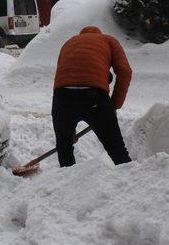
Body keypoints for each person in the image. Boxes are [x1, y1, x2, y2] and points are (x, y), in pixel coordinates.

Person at [52, 26, 133, 167]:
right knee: (117, 151)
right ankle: (131, 182)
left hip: (63, 96)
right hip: (95, 97)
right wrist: (114, 105)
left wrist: (68, 128)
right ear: (99, 34)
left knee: (64, 149)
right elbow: (125, 71)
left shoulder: (70, 42)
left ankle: (67, 185)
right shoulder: (109, 40)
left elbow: (64, 73)